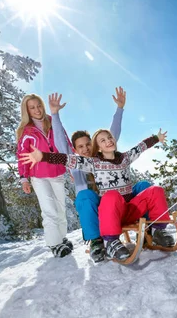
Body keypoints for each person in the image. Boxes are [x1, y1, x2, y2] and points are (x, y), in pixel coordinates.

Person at [20, 128, 175, 261]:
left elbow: (140, 147)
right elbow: (68, 159)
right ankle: (110, 242)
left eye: (109, 138)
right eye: (102, 140)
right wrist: (43, 156)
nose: (108, 141)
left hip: (131, 209)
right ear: (98, 148)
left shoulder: (125, 158)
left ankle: (157, 230)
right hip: (113, 212)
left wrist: (156, 138)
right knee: (111, 196)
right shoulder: (93, 163)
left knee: (155, 190)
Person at [48, 88, 152, 262]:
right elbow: (60, 144)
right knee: (84, 196)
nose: (85, 149)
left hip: (120, 202)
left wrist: (119, 109)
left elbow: (113, 134)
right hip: (100, 209)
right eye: (80, 147)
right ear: (75, 150)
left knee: (143, 186)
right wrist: (55, 115)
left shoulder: (101, 158)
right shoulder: (77, 166)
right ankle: (96, 241)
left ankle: (151, 230)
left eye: (88, 144)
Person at [16, 94, 74, 258]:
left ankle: (61, 238)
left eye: (38, 105)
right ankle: (54, 244)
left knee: (60, 208)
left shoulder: (52, 122)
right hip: (38, 175)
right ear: (27, 111)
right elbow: (22, 155)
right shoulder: (26, 131)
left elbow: (66, 144)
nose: (37, 110)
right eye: (32, 107)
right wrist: (24, 178)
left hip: (57, 172)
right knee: (49, 209)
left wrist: (72, 169)